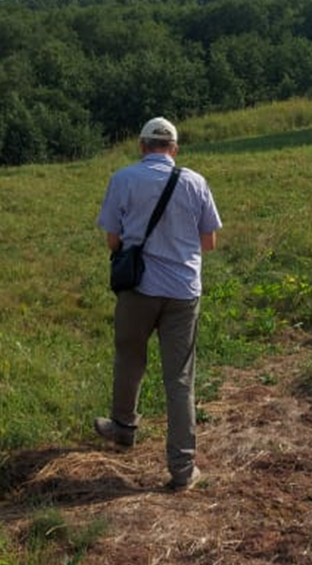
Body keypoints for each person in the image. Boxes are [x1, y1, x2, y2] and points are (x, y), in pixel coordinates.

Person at [94, 116, 222, 490]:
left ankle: (123, 429)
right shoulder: (196, 182)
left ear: (142, 146)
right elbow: (209, 242)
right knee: (180, 380)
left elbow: (113, 243)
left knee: (130, 358)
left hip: (138, 290)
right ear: (175, 149)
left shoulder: (123, 179)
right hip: (183, 292)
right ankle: (182, 470)